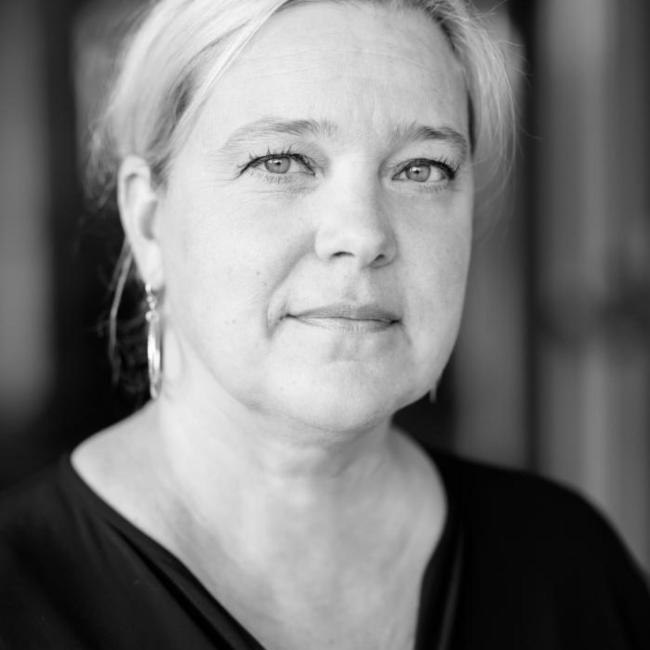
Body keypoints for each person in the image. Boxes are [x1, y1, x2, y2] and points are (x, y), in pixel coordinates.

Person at [1, 0, 649, 648]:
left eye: (422, 169)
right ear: (148, 221)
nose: (363, 235)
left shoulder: (569, 569)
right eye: (281, 161)